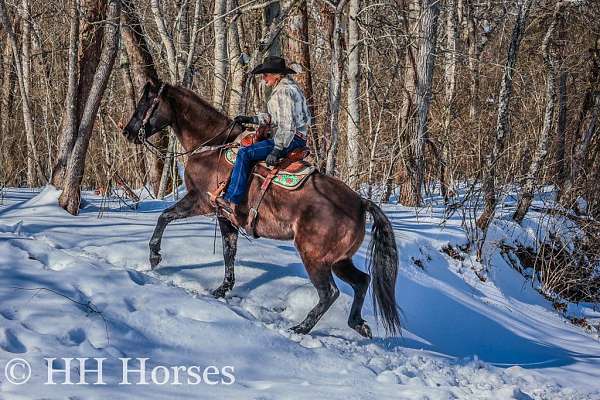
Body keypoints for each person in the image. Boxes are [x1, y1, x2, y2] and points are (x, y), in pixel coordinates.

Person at [216, 57, 311, 215]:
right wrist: (250, 119)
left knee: (244, 153)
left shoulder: (284, 91)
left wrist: (277, 149)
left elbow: (287, 125)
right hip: (291, 136)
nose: (264, 78)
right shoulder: (286, 88)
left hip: (290, 139)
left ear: (276, 74)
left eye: (265, 74)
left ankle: (231, 199)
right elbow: (274, 118)